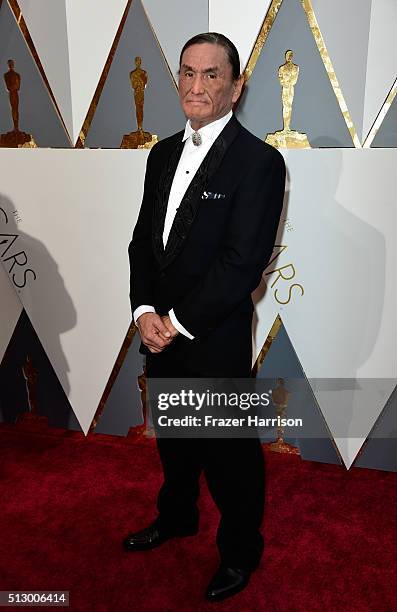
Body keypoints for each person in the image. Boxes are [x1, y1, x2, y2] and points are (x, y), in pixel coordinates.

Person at [125, 32, 286, 602]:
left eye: (211, 75)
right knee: (174, 441)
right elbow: (143, 242)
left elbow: (241, 264)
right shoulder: (161, 152)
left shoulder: (261, 163)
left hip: (211, 339)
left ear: (235, 88)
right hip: (159, 333)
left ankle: (240, 552)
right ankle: (178, 517)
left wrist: (175, 323)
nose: (196, 86)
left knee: (230, 456)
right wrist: (144, 310)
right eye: (188, 73)